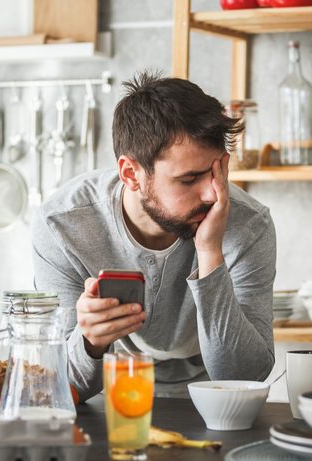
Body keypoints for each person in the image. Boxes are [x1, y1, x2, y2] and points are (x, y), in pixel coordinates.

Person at [32, 71, 276, 399]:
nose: (212, 195)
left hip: (210, 394)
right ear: (131, 174)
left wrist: (210, 252)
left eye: (216, 173)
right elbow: (63, 385)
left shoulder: (250, 225)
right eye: (189, 180)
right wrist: (90, 341)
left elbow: (244, 376)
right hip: (112, 391)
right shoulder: (61, 225)